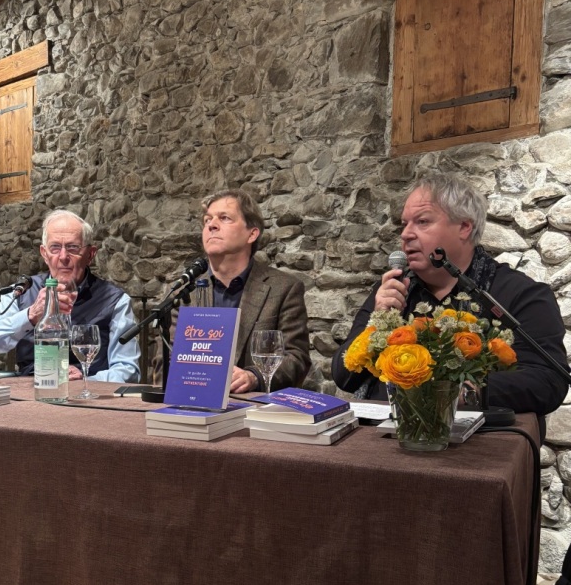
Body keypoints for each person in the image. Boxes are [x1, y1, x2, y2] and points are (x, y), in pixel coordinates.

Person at [332, 175, 569, 430]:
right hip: (382, 441)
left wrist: (451, 391)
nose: (406, 234)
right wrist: (376, 323)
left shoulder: (521, 294)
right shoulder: (393, 290)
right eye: (404, 224)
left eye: (422, 222)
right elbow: (344, 378)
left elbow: (547, 381)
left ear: (464, 227)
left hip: (477, 448)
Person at [0, 209, 141, 382]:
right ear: (44, 254)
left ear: (90, 254)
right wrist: (29, 316)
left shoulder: (114, 300)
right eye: (55, 248)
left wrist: (86, 380)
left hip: (86, 398)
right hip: (30, 394)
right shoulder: (23, 292)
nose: (63, 256)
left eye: (73, 247)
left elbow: (128, 371)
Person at [196, 190, 311, 393]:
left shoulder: (284, 288)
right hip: (194, 405)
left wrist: (254, 376)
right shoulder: (186, 291)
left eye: (224, 218)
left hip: (253, 409)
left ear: (252, 233)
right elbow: (167, 361)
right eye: (207, 220)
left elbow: (296, 358)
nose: (211, 225)